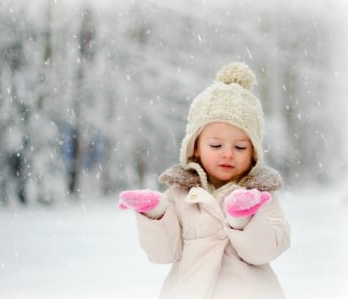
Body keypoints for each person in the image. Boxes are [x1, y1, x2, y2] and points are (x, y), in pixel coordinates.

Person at [118, 62, 291, 299]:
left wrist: (244, 217)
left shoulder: (261, 195)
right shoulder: (179, 195)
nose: (228, 153)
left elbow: (267, 250)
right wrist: (156, 213)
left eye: (240, 147)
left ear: (253, 153)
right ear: (195, 147)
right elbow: (164, 254)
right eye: (216, 145)